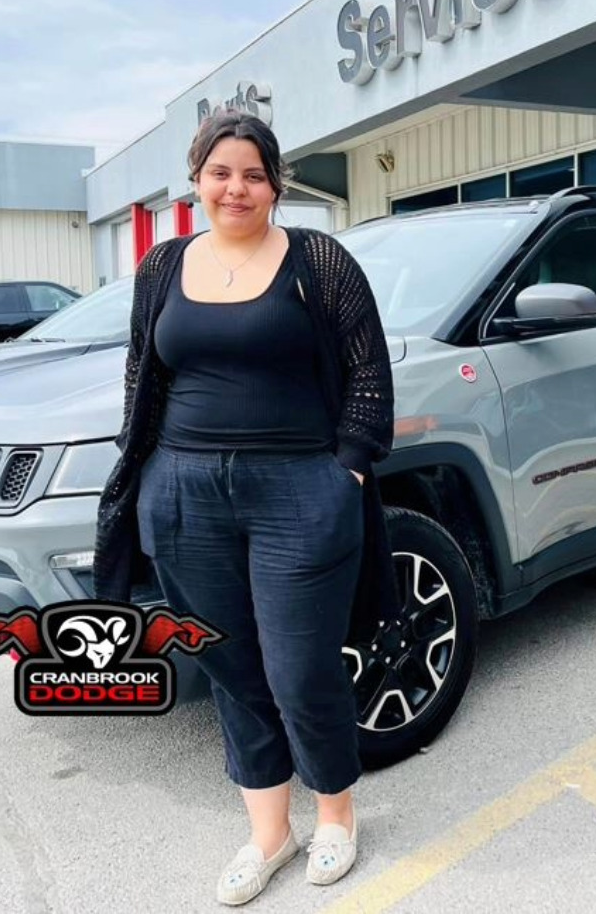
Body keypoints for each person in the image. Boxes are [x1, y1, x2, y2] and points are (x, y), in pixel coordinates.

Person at [93, 110, 397, 906]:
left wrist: (350, 473)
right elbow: (141, 373)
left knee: (299, 668)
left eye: (253, 174)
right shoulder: (162, 266)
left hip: (299, 487)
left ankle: (335, 815)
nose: (237, 188)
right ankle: (270, 833)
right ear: (196, 179)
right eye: (221, 172)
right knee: (230, 665)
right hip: (187, 495)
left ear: (275, 184)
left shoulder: (318, 261)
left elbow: (368, 374)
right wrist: (150, 475)